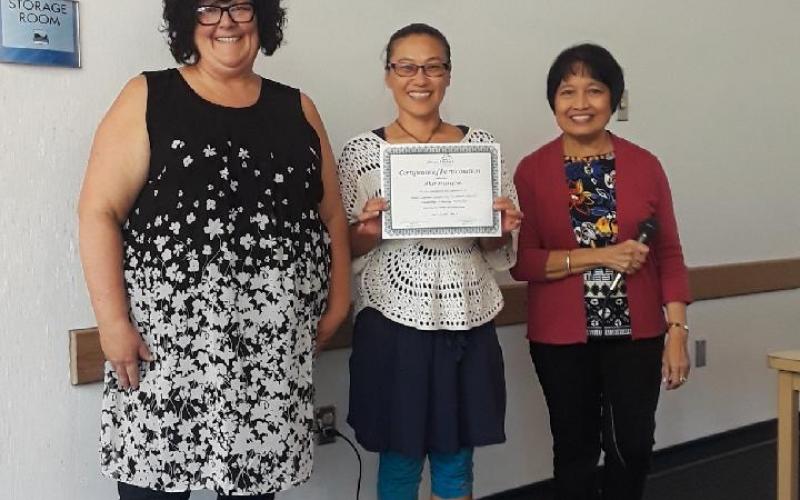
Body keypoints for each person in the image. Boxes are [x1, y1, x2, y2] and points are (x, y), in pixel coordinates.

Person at [77, 1, 350, 498]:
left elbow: (330, 216)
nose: (225, 21)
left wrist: (338, 300)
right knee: (153, 488)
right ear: (187, 20)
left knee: (253, 491)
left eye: (241, 6)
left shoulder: (298, 107)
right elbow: (99, 213)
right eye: (207, 8)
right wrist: (112, 323)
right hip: (163, 350)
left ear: (262, 18)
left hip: (270, 352)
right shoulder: (148, 95)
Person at [338, 23, 523, 500]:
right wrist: (365, 232)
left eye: (433, 66)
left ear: (448, 74)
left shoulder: (481, 149)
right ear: (388, 75)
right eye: (406, 67)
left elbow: (494, 248)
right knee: (399, 460)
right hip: (391, 320)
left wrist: (500, 229)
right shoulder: (361, 155)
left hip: (466, 315)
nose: (420, 78)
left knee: (456, 459)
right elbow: (342, 250)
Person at [510, 43, 691, 500]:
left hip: (638, 334)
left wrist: (677, 333)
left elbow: (668, 253)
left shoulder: (645, 165)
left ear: (614, 99)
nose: (580, 103)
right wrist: (601, 256)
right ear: (553, 102)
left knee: (632, 445)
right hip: (560, 339)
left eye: (594, 90)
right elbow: (525, 263)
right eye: (567, 92)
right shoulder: (531, 171)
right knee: (574, 450)